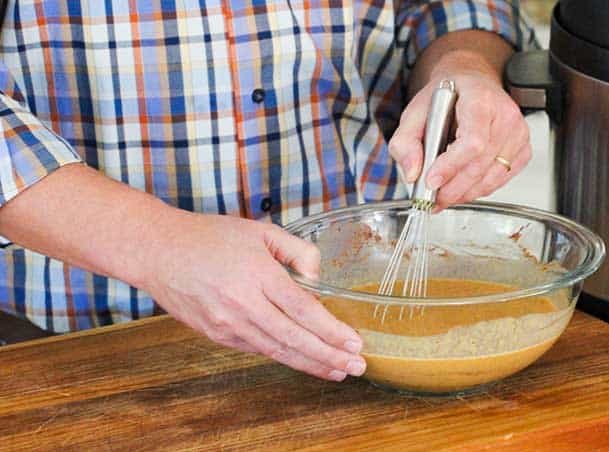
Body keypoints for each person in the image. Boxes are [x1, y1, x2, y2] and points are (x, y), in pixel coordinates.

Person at [0, 1, 535, 382]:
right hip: (79, 352)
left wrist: (464, 65)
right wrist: (157, 243)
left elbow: (443, 7)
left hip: (358, 330)